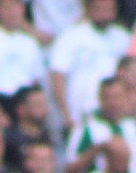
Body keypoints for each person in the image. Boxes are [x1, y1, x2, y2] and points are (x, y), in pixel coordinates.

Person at [49, 0, 130, 131]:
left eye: (109, 9)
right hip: (80, 114)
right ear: (88, 9)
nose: (104, 14)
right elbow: (57, 75)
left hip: (115, 116)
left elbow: (131, 75)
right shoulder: (71, 36)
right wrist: (65, 114)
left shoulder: (123, 37)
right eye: (100, 8)